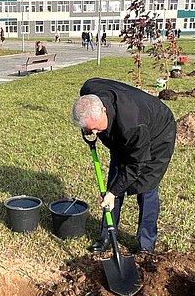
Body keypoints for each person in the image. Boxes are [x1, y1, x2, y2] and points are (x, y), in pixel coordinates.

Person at [72, 78, 176, 254]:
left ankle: (146, 244)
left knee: (146, 187)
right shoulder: (89, 91)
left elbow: (137, 164)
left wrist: (114, 192)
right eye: (90, 130)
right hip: (124, 131)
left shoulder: (132, 125)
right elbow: (92, 82)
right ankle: (106, 235)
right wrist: (112, 192)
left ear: (104, 110)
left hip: (157, 134)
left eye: (96, 128)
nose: (95, 133)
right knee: (114, 182)